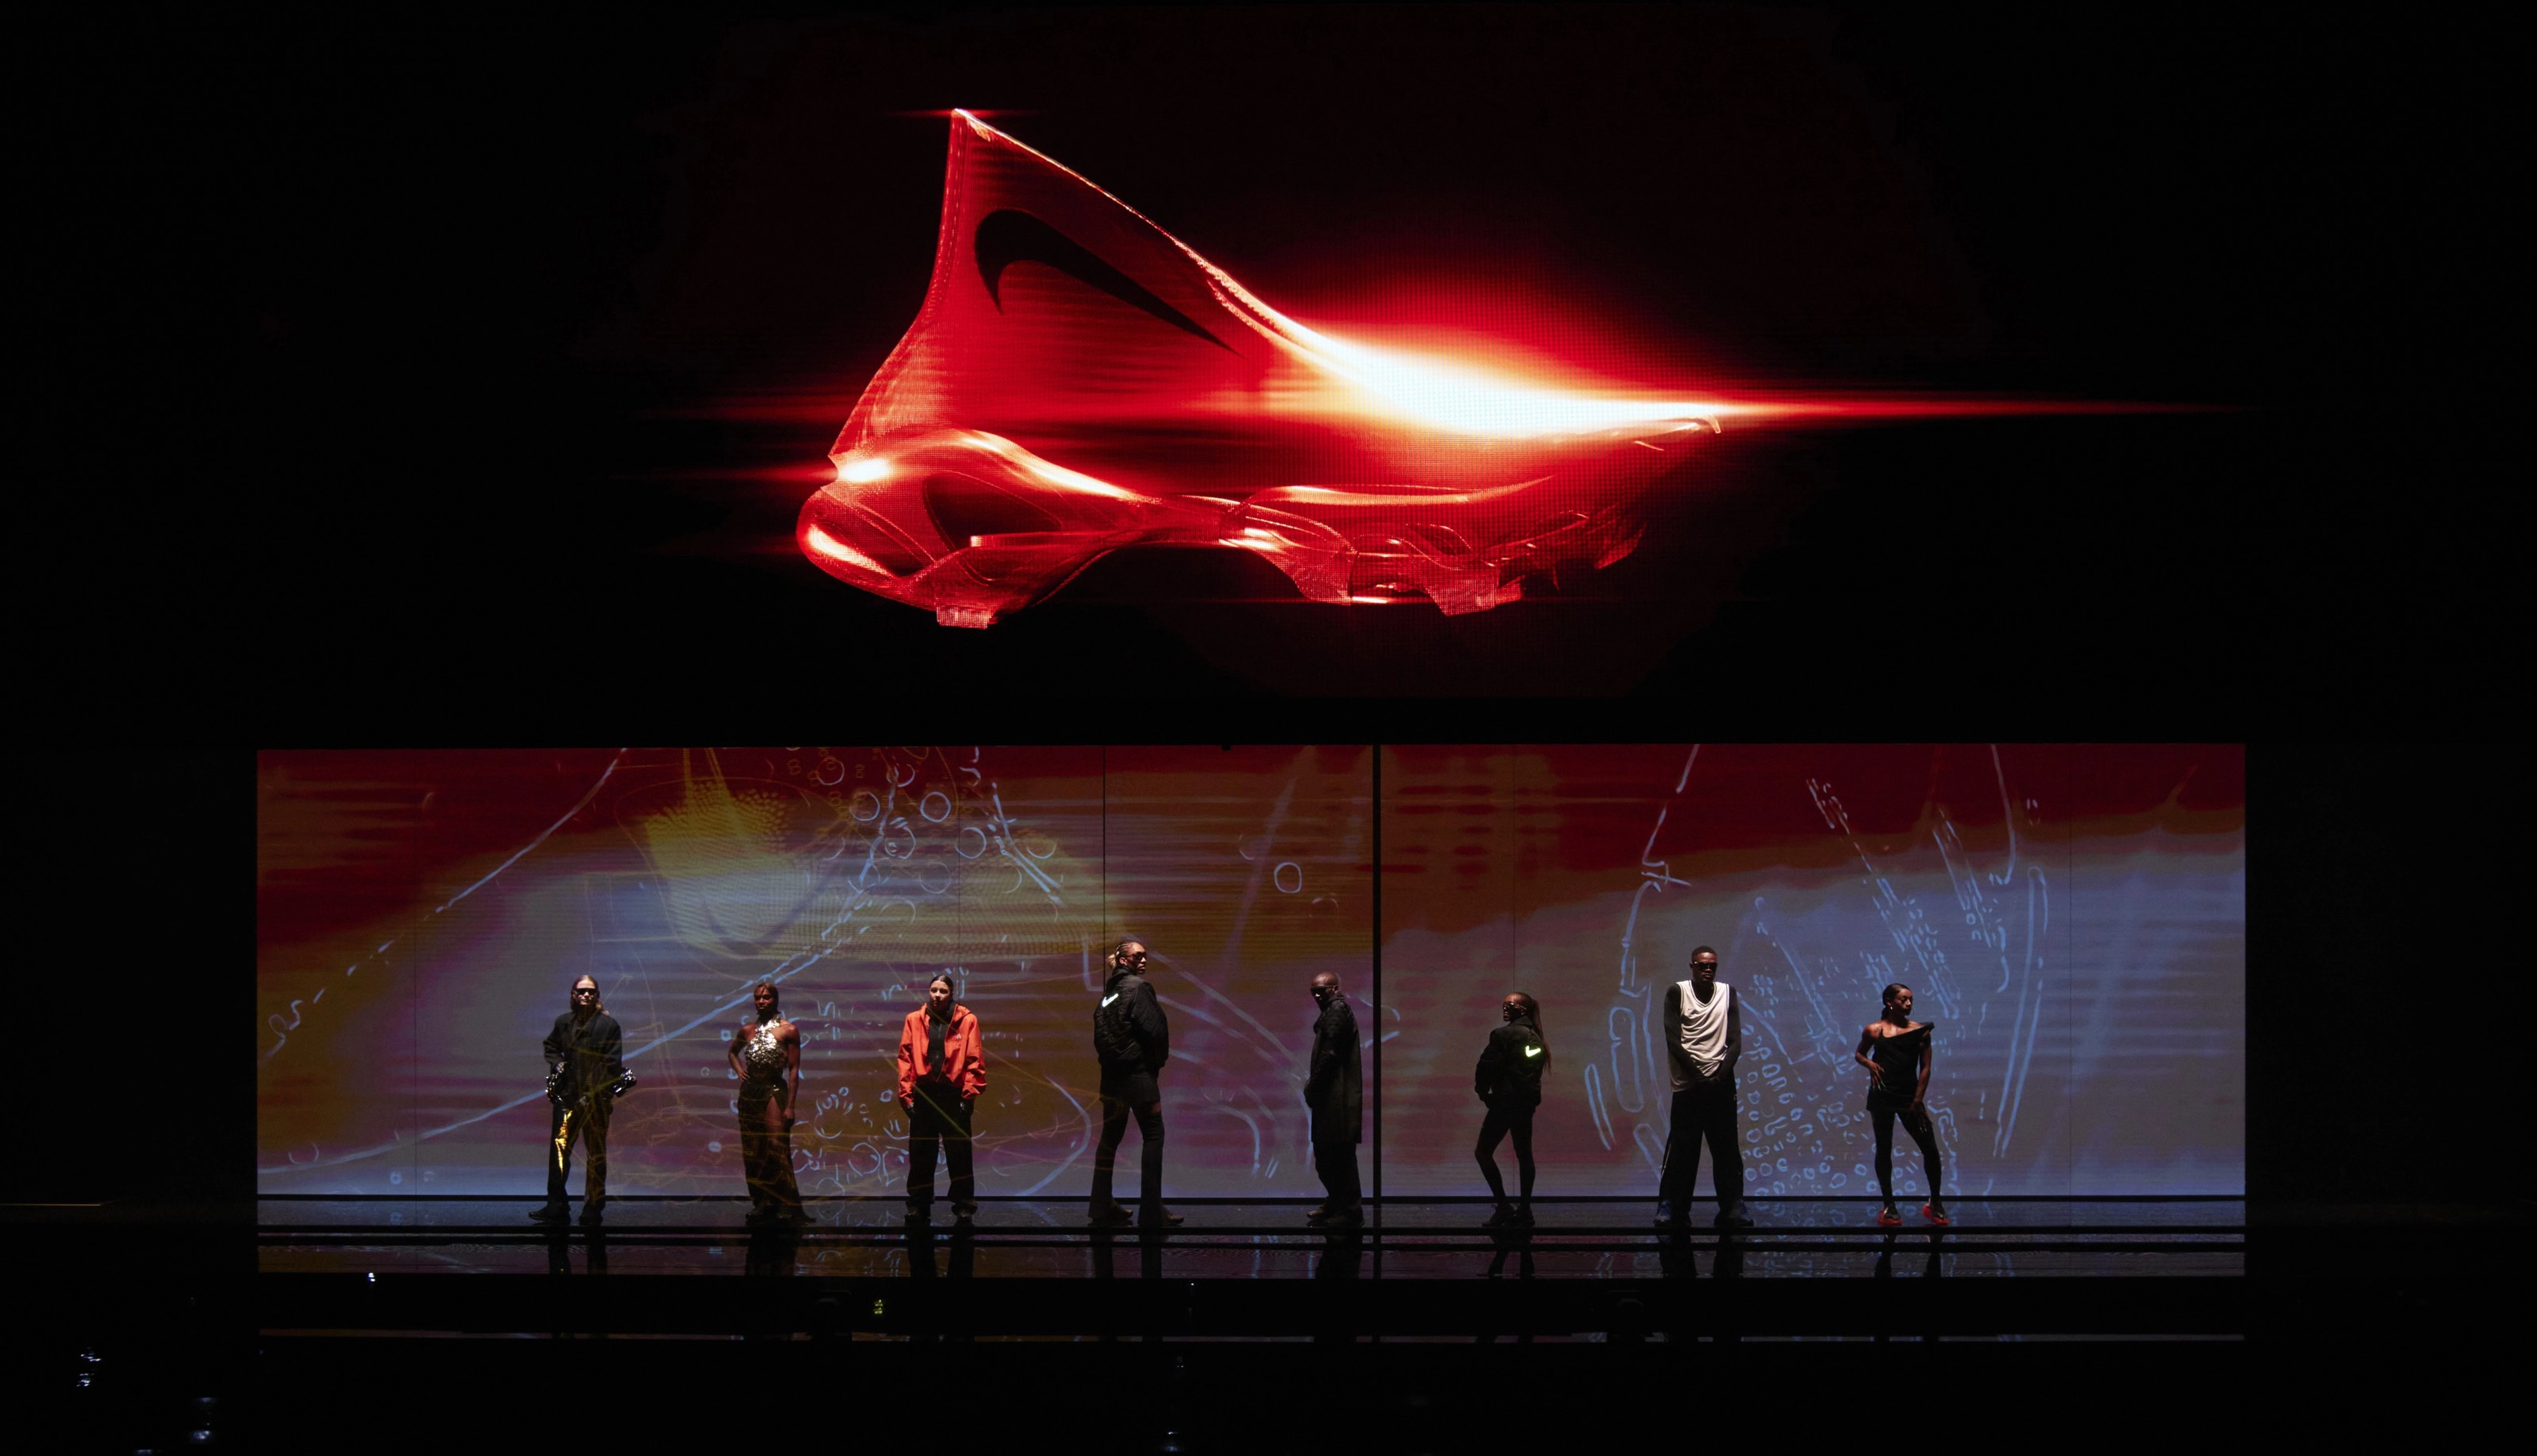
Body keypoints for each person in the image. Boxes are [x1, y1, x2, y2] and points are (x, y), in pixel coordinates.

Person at [1655, 946, 1751, 1229]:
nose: (1708, 970)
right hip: (1689, 1082)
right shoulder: (1678, 992)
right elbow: (1673, 1039)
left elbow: (1735, 1041)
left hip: (1720, 1080)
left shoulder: (1727, 992)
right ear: (1692, 966)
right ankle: (1672, 1205)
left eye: (1712, 966)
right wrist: (1697, 1074)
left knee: (1727, 1148)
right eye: (1702, 966)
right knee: (1683, 1148)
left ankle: (1734, 1205)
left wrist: (1720, 1075)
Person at [1088, 939, 1179, 1227]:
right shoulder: (1139, 989)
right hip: (1139, 1078)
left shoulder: (1107, 994)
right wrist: (1154, 1066)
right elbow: (1155, 1032)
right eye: (1138, 956)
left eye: (1145, 956)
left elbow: (1101, 1038)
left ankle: (1102, 1205)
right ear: (1124, 960)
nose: (1144, 961)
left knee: (1109, 1140)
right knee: (1153, 1136)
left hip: (1113, 1081)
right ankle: (1152, 1211)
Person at [532, 974, 626, 1225]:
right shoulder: (563, 1023)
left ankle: (593, 1207)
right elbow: (550, 1046)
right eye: (581, 991)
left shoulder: (609, 1026)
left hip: (595, 1102)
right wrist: (558, 1063)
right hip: (567, 1099)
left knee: (595, 1155)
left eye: (591, 991)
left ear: (597, 995)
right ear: (573, 995)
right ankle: (556, 1205)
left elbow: (612, 1064)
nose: (586, 995)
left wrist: (592, 1093)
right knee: (560, 1152)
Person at [1854, 982, 1950, 1226]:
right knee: (1884, 1148)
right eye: (1904, 1000)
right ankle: (1889, 1206)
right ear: (1889, 1002)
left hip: (1909, 1097)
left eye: (1911, 1000)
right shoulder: (1874, 1030)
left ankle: (1935, 1203)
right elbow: (1859, 1054)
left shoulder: (1921, 1032)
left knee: (1929, 1148)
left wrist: (1918, 1099)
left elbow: (1926, 1067)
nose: (1909, 1004)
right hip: (1882, 1095)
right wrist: (1870, 1064)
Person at [897, 972, 986, 1223]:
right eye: (934, 990)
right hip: (924, 1095)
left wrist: (968, 1097)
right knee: (921, 1154)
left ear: (951, 994)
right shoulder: (914, 1020)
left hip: (953, 1094)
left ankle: (964, 1205)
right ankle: (918, 1203)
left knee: (959, 1154)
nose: (937, 995)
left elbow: (974, 1060)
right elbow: (904, 1059)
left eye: (943, 991)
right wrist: (907, 1098)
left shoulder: (966, 1020)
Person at [727, 980, 805, 1225]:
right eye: (758, 997)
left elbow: (793, 1071)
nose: (761, 1001)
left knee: (775, 1146)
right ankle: (762, 1201)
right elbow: (732, 1052)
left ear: (776, 1000)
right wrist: (740, 1071)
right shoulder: (747, 1030)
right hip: (751, 1092)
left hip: (774, 1089)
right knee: (754, 1149)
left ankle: (785, 1202)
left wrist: (791, 1106)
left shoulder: (788, 1030)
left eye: (767, 997)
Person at [1473, 992, 1548, 1228]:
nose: (1504, 1008)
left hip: (1503, 1105)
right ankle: (1525, 1210)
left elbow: (1485, 1067)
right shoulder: (1537, 1039)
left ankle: (1504, 1207)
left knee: (1483, 1152)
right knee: (1525, 1155)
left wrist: (1484, 1093)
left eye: (1509, 1005)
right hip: (1524, 1106)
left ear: (1522, 1010)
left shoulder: (1502, 1035)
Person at [1302, 970, 1364, 1226]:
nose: (1317, 996)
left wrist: (1312, 1087)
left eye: (1322, 991)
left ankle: (1349, 1210)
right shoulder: (1333, 1010)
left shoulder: (1337, 1010)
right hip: (1332, 1097)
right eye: (1314, 991)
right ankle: (1338, 1202)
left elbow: (1330, 1055)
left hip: (1337, 1099)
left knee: (1338, 1155)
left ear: (1335, 989)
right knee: (1328, 1155)